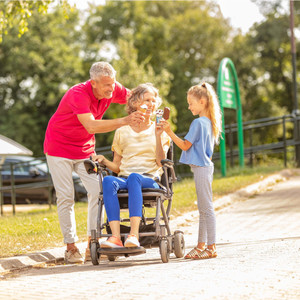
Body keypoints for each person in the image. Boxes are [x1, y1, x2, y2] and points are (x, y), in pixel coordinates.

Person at [44, 62, 144, 263]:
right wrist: (125, 121)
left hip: (84, 150)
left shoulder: (112, 89)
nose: (111, 89)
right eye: (106, 85)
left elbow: (136, 97)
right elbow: (90, 125)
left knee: (98, 192)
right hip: (59, 148)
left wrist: (148, 106)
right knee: (66, 197)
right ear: (93, 83)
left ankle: (93, 242)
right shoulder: (77, 94)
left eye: (113, 84)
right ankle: (71, 247)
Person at [92, 83, 170, 248]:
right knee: (108, 181)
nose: (151, 104)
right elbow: (117, 168)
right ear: (135, 103)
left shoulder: (160, 129)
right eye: (146, 100)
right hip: (125, 178)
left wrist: (157, 136)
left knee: (135, 177)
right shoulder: (122, 131)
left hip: (150, 178)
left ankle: (133, 235)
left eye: (153, 100)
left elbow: (159, 162)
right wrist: (104, 161)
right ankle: (115, 237)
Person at [160, 82, 222, 259]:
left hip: (202, 168)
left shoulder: (198, 123)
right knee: (203, 208)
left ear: (202, 101)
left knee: (206, 208)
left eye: (191, 103)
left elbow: (185, 146)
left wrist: (169, 131)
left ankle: (211, 247)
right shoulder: (209, 122)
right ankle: (202, 245)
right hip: (204, 168)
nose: (188, 107)